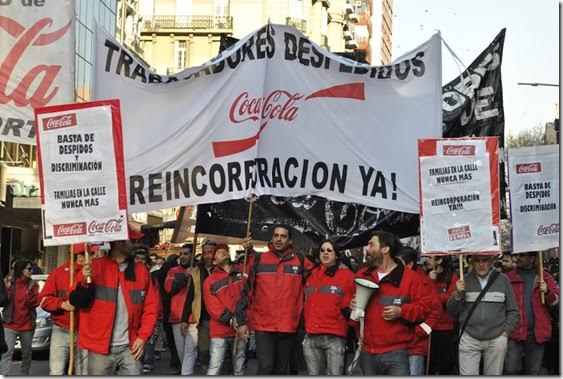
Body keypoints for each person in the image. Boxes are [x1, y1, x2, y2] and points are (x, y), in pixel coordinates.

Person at [69, 239, 160, 375]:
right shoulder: (94, 266)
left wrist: (142, 337)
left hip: (131, 346)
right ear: (119, 242)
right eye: (131, 241)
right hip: (100, 347)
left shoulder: (141, 271)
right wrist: (84, 281)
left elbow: (151, 308)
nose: (134, 244)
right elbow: (76, 301)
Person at [235, 225, 314, 374]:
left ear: (290, 240)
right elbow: (246, 292)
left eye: (283, 236)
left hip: (289, 325)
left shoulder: (301, 261)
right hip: (264, 326)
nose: (279, 239)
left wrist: (339, 265)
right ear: (271, 238)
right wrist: (241, 321)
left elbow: (318, 277)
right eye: (276, 235)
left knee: (281, 370)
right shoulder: (259, 259)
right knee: (265, 367)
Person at [350, 231, 431, 375]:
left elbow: (425, 309)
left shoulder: (410, 278)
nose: (367, 249)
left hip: (396, 353)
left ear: (385, 249)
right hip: (367, 352)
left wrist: (401, 311)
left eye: (371, 244)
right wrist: (351, 306)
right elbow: (350, 307)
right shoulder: (361, 275)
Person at [446, 254, 518, 375]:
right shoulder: (464, 280)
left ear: (492, 262)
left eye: (485, 260)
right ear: (472, 262)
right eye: (477, 261)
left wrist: (505, 332)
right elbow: (451, 309)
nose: (481, 264)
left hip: (496, 338)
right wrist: (457, 293)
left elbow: (512, 310)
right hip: (469, 337)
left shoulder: (503, 279)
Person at [38, 244, 93, 375]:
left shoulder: (92, 275)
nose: (89, 258)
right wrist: (62, 304)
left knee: (83, 373)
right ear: (77, 256)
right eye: (86, 254)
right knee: (56, 372)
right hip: (61, 330)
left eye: (90, 254)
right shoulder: (57, 273)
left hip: (84, 331)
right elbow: (43, 300)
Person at [302, 239, 355, 375]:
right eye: (322, 250)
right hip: (311, 334)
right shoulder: (310, 275)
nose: (325, 252)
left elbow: (352, 302)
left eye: (329, 250)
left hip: (334, 336)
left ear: (336, 255)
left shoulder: (347, 275)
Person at [504, 251, 559, 375]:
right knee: (511, 369)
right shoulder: (508, 277)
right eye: (517, 255)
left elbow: (557, 303)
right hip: (514, 331)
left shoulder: (544, 277)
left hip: (536, 333)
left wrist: (547, 293)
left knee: (533, 371)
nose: (518, 258)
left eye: (522, 255)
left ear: (533, 258)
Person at [395, 247, 443, 376]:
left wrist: (422, 330)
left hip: (415, 345)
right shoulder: (392, 280)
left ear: (410, 264)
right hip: (393, 344)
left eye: (398, 262)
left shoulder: (425, 283)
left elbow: (436, 310)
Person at [203, 244, 248, 375]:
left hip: (240, 329)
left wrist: (241, 320)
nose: (223, 252)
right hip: (219, 332)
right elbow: (213, 307)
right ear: (214, 260)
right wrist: (231, 319)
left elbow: (248, 298)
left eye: (225, 251)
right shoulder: (209, 281)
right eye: (219, 252)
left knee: (239, 369)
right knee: (214, 368)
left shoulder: (241, 274)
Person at [179, 240, 216, 374]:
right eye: (205, 252)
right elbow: (190, 296)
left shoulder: (222, 270)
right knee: (191, 351)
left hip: (217, 319)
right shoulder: (196, 271)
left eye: (210, 252)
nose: (207, 256)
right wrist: (184, 319)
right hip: (198, 317)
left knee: (211, 353)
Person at [0, 259, 39, 375]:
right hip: (9, 323)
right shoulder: (8, 282)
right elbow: (3, 299)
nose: (32, 271)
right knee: (6, 353)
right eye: (29, 269)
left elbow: (36, 302)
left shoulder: (33, 285)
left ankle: (24, 376)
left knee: (26, 354)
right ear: (21, 270)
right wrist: (6, 289)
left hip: (27, 325)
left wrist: (30, 296)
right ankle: (3, 376)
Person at [164, 244, 195, 374]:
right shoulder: (173, 271)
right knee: (183, 354)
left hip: (195, 317)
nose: (182, 256)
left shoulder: (199, 269)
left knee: (196, 353)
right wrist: (184, 276)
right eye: (181, 254)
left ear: (193, 255)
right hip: (177, 316)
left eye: (186, 254)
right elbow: (168, 287)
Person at [426, 254, 459, 375]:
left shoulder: (452, 276)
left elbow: (450, 298)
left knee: (445, 363)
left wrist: (434, 299)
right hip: (429, 326)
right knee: (430, 364)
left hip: (446, 327)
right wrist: (430, 281)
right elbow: (423, 298)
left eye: (430, 258)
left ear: (439, 260)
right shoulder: (427, 276)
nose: (427, 260)